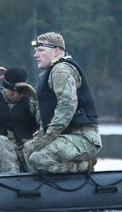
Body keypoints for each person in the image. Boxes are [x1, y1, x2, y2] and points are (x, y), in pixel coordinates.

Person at [22, 32, 101, 174]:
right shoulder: (51, 73)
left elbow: (67, 105)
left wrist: (49, 136)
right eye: (36, 51)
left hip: (82, 137)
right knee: (28, 149)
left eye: (40, 50)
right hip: (66, 136)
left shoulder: (61, 70)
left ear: (56, 51)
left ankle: (81, 166)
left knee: (39, 158)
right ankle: (38, 190)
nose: (35, 55)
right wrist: (39, 138)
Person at [0, 65, 41, 147]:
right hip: (0, 148)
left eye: (20, 91)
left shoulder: (32, 101)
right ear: (5, 87)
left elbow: (44, 122)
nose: (16, 94)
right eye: (12, 90)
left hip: (27, 147)